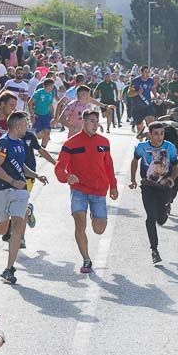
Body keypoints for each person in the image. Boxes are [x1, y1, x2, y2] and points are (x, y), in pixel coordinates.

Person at [54, 110, 118, 274]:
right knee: (80, 225)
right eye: (91, 121)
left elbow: (109, 165)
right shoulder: (70, 143)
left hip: (99, 190)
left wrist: (114, 186)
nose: (95, 124)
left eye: (97, 121)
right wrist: (67, 177)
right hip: (79, 190)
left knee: (99, 229)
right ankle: (87, 260)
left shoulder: (104, 142)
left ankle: (94, 215)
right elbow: (60, 167)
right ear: (83, 122)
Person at [0, 111, 38, 284]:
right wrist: (11, 181)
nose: (27, 127)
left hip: (20, 190)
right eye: (25, 124)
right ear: (17, 126)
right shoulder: (2, 143)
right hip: (2, 189)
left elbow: (20, 165)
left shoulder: (21, 143)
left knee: (16, 227)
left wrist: (35, 175)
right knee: (3, 229)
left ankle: (9, 269)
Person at [129, 120, 178, 265]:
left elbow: (176, 167)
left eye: (162, 133)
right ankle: (154, 250)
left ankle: (166, 207)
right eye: (156, 134)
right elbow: (134, 161)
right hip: (148, 186)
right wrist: (133, 179)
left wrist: (171, 179)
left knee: (161, 220)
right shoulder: (141, 147)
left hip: (164, 187)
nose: (159, 137)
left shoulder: (170, 148)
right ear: (149, 135)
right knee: (150, 217)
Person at [30, 78, 57, 146]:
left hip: (46, 116)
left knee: (47, 132)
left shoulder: (51, 94)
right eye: (52, 86)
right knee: (39, 136)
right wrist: (32, 114)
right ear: (47, 86)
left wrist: (53, 116)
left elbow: (50, 105)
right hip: (37, 115)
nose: (53, 87)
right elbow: (30, 102)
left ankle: (43, 149)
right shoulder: (38, 92)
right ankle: (42, 140)